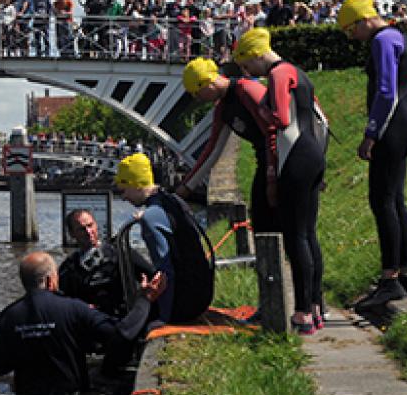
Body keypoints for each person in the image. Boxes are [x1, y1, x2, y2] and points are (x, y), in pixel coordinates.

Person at [234, 28, 328, 332]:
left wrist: (263, 109)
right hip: (313, 152)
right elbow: (321, 119)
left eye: (248, 65)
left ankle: (301, 313)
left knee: (295, 236)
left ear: (257, 54)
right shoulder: (299, 73)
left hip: (295, 156)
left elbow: (279, 120)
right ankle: (315, 306)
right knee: (309, 234)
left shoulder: (277, 73)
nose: (249, 73)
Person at [339, 0, 407, 303]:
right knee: (396, 201)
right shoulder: (396, 35)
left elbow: (386, 92)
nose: (353, 38)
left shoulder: (382, 40)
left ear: (364, 20)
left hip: (392, 126)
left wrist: (370, 134)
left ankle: (390, 279)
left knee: (382, 200)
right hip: (404, 123)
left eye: (352, 30)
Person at [0, 252, 164, 395]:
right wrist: (144, 300)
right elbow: (121, 334)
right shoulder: (74, 309)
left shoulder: (9, 316)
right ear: (50, 280)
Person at [177, 58, 277, 234]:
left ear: (208, 83)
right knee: (261, 218)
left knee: (276, 220)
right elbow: (212, 151)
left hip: (279, 158)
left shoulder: (247, 91)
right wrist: (186, 188)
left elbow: (274, 129)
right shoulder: (223, 109)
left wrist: (272, 174)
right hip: (266, 160)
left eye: (197, 92)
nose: (197, 99)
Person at [114, 153, 214, 324]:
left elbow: (166, 273)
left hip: (184, 305)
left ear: (137, 185)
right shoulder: (173, 200)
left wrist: (164, 319)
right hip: (203, 292)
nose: (123, 197)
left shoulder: (150, 218)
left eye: (123, 190)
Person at [58, 209, 155, 318]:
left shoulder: (120, 254)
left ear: (96, 225)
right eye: (82, 229)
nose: (88, 232)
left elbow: (154, 276)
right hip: (86, 320)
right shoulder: (69, 267)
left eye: (90, 225)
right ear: (72, 234)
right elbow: (62, 301)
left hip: (119, 318)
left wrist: (143, 296)